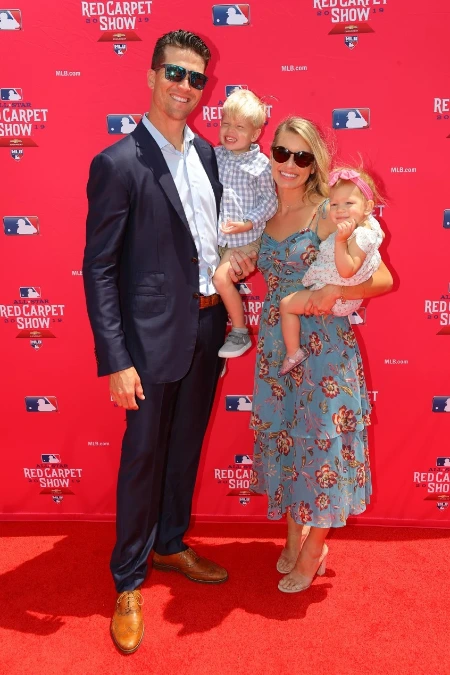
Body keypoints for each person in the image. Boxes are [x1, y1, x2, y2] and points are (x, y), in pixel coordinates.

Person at [83, 29, 255, 654]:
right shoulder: (118, 162)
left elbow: (209, 243)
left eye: (196, 78)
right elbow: (100, 268)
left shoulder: (210, 157)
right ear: (152, 76)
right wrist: (116, 358)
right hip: (148, 339)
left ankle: (172, 542)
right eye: (175, 74)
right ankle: (128, 579)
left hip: (208, 327)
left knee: (184, 448)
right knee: (144, 457)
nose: (185, 87)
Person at [250, 116, 393, 594]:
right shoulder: (265, 212)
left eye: (302, 156)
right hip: (279, 349)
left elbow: (383, 278)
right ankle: (294, 536)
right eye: (281, 152)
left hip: (324, 352)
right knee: (291, 445)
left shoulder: (327, 211)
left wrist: (334, 286)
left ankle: (314, 549)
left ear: (315, 165)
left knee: (324, 449)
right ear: (270, 154)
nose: (289, 164)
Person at [278, 166, 384, 375]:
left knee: (286, 305)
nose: (340, 209)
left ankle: (293, 352)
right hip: (316, 309)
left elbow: (350, 271)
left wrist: (340, 242)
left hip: (334, 309)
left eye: (349, 203)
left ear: (367, 207)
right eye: (335, 204)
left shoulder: (360, 235)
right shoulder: (364, 228)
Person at [213, 89, 277, 358]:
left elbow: (270, 202)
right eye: (226, 123)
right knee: (206, 290)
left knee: (220, 278)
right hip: (216, 238)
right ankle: (212, 347)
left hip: (247, 240)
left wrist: (247, 224)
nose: (230, 131)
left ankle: (239, 333)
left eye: (239, 126)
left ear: (254, 134)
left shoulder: (261, 165)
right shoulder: (214, 156)